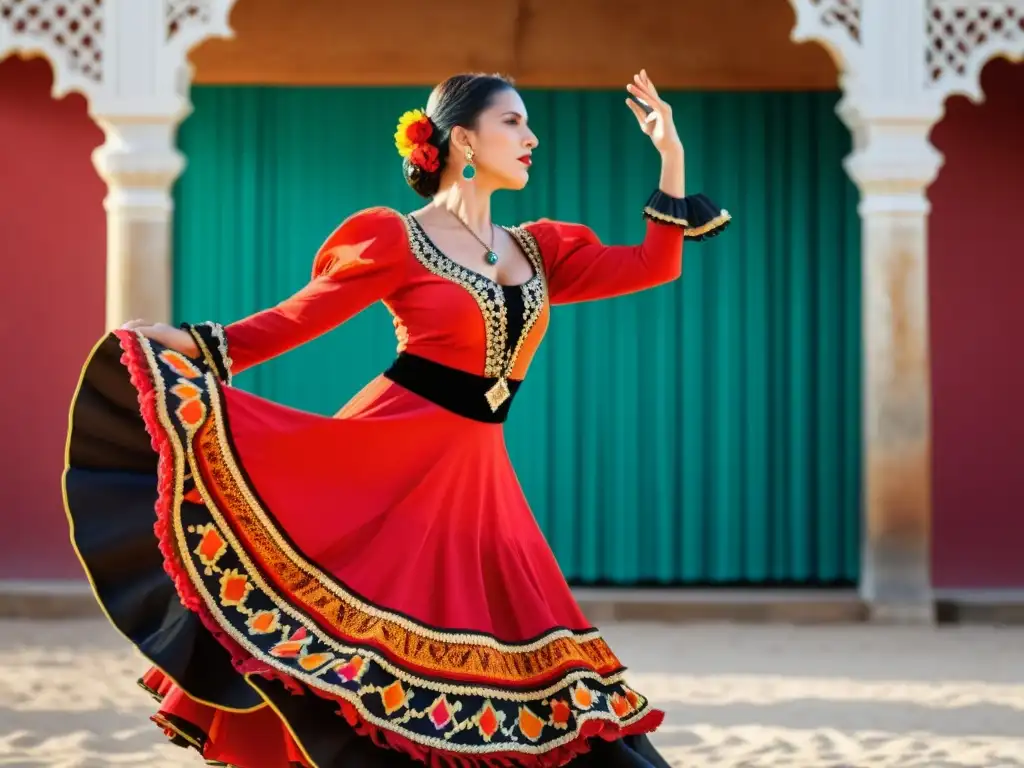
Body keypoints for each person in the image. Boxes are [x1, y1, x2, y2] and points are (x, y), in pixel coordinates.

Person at [63, 70, 729, 767]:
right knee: (368, 642)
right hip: (389, 455)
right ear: (464, 139)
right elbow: (300, 317)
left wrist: (671, 156)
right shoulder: (397, 239)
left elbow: (658, 265)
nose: (532, 138)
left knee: (522, 645)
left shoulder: (541, 249)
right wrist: (200, 343)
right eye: (513, 123)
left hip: (478, 474)